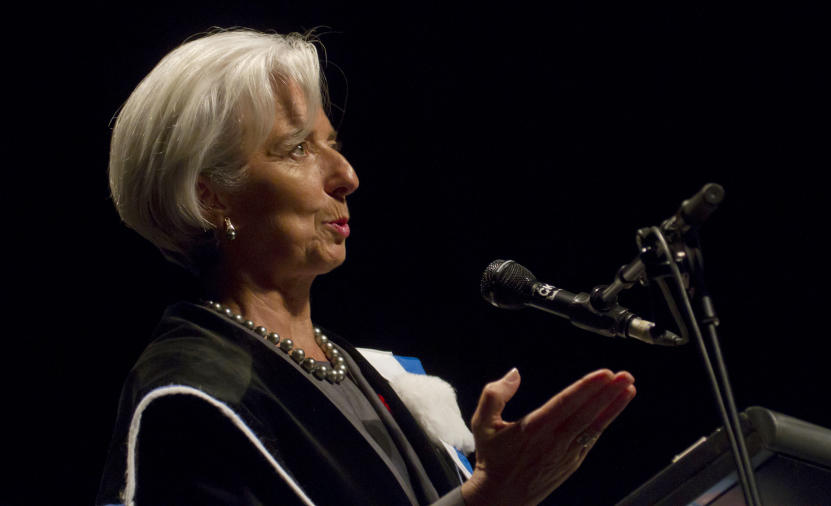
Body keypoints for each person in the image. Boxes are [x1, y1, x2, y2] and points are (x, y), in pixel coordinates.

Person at [97, 28, 636, 505]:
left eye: (333, 143)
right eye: (298, 148)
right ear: (211, 198)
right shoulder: (191, 399)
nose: (346, 175)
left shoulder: (368, 373)